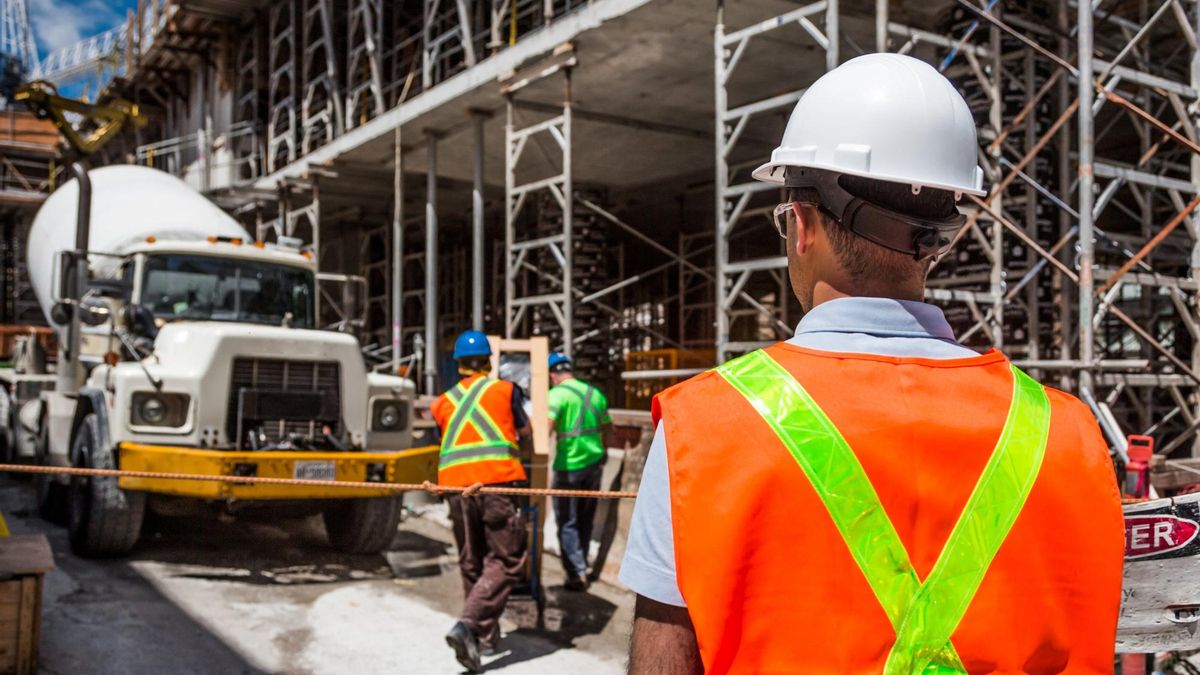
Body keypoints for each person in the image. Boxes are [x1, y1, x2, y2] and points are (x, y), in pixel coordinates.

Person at [620, 53, 1124, 674]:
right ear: (939, 237)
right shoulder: (1067, 433)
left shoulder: (702, 429)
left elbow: (662, 662)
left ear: (800, 225)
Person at [431, 330, 531, 674]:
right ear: (490, 361)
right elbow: (526, 430)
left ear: (458, 364)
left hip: (457, 490)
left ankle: (483, 638)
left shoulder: (442, 402)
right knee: (507, 559)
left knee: (472, 560)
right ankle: (469, 625)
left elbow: (444, 442)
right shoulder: (505, 390)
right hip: (496, 484)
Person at [546, 352, 611, 591]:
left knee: (567, 521)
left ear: (553, 375)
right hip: (594, 465)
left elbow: (547, 427)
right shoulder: (595, 394)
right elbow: (608, 427)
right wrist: (602, 451)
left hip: (568, 467)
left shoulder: (556, 395)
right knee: (585, 518)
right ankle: (581, 563)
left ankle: (576, 573)